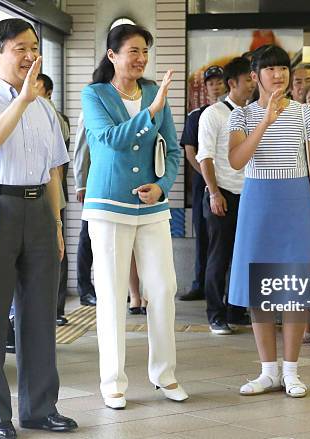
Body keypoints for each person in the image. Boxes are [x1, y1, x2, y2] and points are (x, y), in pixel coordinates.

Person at [0, 18, 77, 438]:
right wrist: (21, 102)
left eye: (33, 47)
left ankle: (40, 408)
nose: (29, 56)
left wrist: (58, 225)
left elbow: (52, 173)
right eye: (19, 49)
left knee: (40, 313)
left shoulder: (45, 108)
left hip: (38, 210)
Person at [81, 23, 187, 409]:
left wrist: (164, 184)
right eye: (133, 52)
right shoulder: (94, 94)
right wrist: (151, 111)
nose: (141, 59)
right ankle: (113, 382)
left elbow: (173, 150)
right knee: (111, 293)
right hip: (108, 206)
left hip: (153, 206)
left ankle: (165, 375)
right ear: (112, 55)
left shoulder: (154, 94)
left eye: (145, 51)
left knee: (162, 288)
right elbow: (108, 140)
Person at [228, 45, 310, 397]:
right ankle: (267, 371)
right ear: (254, 76)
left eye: (283, 69)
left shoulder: (306, 114)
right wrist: (266, 121)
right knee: (260, 290)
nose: (279, 75)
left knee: (294, 290)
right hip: (257, 203)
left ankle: (291, 371)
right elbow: (237, 161)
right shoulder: (240, 116)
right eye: (270, 69)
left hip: (295, 202)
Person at [196, 57, 255, 335]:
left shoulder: (255, 113)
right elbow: (204, 156)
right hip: (223, 195)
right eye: (248, 80)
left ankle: (236, 310)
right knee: (218, 257)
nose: (253, 84)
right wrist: (214, 192)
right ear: (233, 83)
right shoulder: (214, 113)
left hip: (251, 195)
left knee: (245, 257)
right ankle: (216, 314)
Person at [179, 65, 226, 301]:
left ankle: (225, 289)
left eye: (219, 82)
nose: (216, 87)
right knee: (203, 234)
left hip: (232, 184)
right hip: (203, 187)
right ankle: (200, 283)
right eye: (211, 83)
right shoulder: (195, 115)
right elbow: (190, 152)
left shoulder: (236, 113)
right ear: (205, 88)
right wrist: (211, 179)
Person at [36, 72, 70, 326]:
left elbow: (55, 165)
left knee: (57, 250)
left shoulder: (53, 116)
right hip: (37, 195)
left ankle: (56, 309)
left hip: (53, 192)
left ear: (47, 90)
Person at [72, 112, 97, 307]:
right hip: (93, 186)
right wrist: (81, 184)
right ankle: (85, 289)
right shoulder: (91, 107)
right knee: (87, 238)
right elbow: (82, 148)